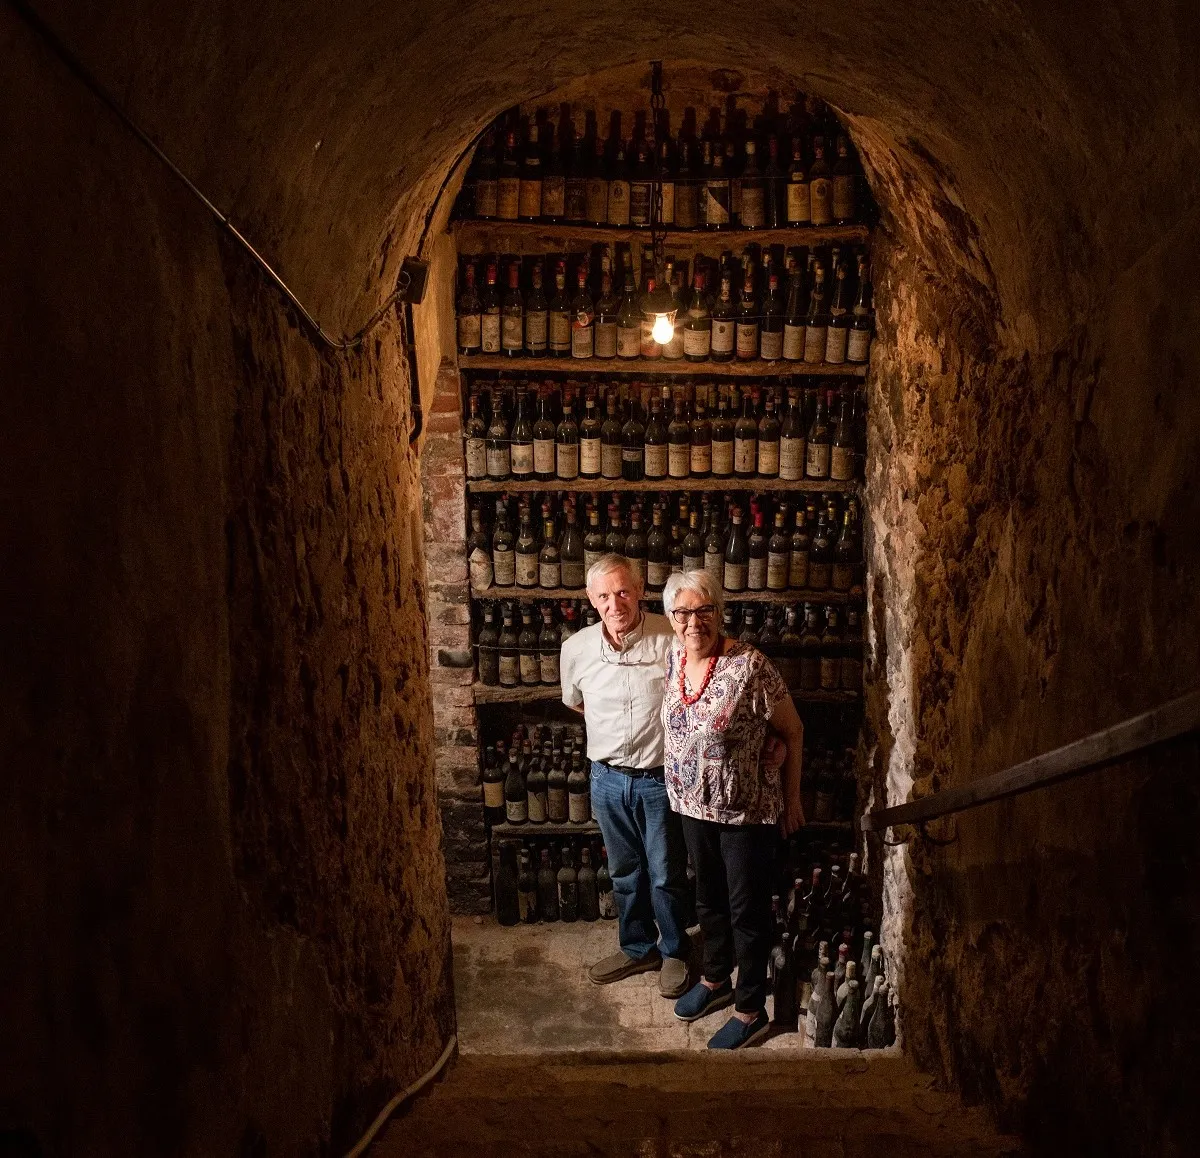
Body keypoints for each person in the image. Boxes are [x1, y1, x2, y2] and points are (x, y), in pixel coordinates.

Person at [660, 569, 806, 1049]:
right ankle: (716, 978)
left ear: (719, 613)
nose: (693, 622)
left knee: (747, 910)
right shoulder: (673, 659)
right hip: (690, 804)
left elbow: (793, 730)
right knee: (708, 900)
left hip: (744, 810)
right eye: (683, 613)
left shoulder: (749, 665)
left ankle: (749, 1009)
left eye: (704, 611)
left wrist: (794, 797)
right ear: (671, 618)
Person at [560, 554, 692, 997]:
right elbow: (576, 702)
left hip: (659, 779)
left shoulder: (671, 636)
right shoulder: (576, 648)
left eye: (622, 591)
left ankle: (674, 950)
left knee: (665, 872)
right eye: (603, 595)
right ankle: (638, 947)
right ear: (591, 600)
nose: (614, 603)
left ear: (639, 590)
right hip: (606, 778)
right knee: (624, 871)